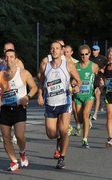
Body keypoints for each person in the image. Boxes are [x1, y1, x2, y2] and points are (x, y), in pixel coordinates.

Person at [0, 49, 38, 171]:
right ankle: (14, 161)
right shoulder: (0, 75)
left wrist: (27, 97)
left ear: (16, 60)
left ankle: (22, 152)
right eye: (6, 57)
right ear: (4, 60)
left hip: (19, 109)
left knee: (19, 135)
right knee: (6, 138)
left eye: (11, 57)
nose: (8, 59)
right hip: (5, 109)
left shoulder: (24, 73)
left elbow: (34, 87)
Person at [37, 40, 82, 169]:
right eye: (52, 48)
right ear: (50, 51)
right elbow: (41, 82)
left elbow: (78, 80)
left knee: (63, 131)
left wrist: (76, 87)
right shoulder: (46, 66)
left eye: (57, 48)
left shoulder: (67, 65)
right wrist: (40, 94)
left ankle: (62, 158)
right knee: (51, 134)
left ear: (61, 50)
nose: (54, 50)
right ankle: (59, 138)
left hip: (64, 102)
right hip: (50, 104)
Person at [0, 42, 25, 144]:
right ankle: (5, 133)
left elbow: (23, 77)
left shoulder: (18, 62)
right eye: (5, 50)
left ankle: (15, 134)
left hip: (15, 92)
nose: (6, 51)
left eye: (9, 49)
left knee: (15, 111)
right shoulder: (0, 61)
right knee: (2, 110)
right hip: (3, 90)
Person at [73, 44, 99, 148]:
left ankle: (85, 140)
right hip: (78, 96)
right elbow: (71, 80)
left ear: (89, 54)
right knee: (80, 120)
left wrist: (98, 87)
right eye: (82, 54)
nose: (84, 56)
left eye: (86, 54)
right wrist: (73, 84)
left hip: (89, 96)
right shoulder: (75, 66)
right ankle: (86, 122)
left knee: (85, 114)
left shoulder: (94, 66)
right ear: (79, 55)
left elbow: (98, 79)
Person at [64, 44, 79, 136]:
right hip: (64, 88)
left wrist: (74, 81)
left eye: (68, 52)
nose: (65, 53)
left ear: (71, 52)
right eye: (64, 51)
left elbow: (78, 76)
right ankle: (68, 126)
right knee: (66, 108)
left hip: (73, 87)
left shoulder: (76, 62)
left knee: (74, 109)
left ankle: (77, 125)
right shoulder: (60, 60)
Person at [98, 47, 112, 147]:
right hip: (109, 93)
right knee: (109, 116)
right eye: (109, 55)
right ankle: (110, 138)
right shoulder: (106, 67)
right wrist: (101, 82)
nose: (110, 57)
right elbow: (102, 80)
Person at [90, 45, 107, 120]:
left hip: (100, 79)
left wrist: (103, 69)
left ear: (98, 51)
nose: (94, 51)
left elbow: (108, 65)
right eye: (93, 50)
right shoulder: (89, 58)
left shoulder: (103, 58)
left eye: (95, 50)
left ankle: (95, 114)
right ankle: (99, 104)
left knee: (97, 94)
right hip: (91, 79)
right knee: (92, 96)